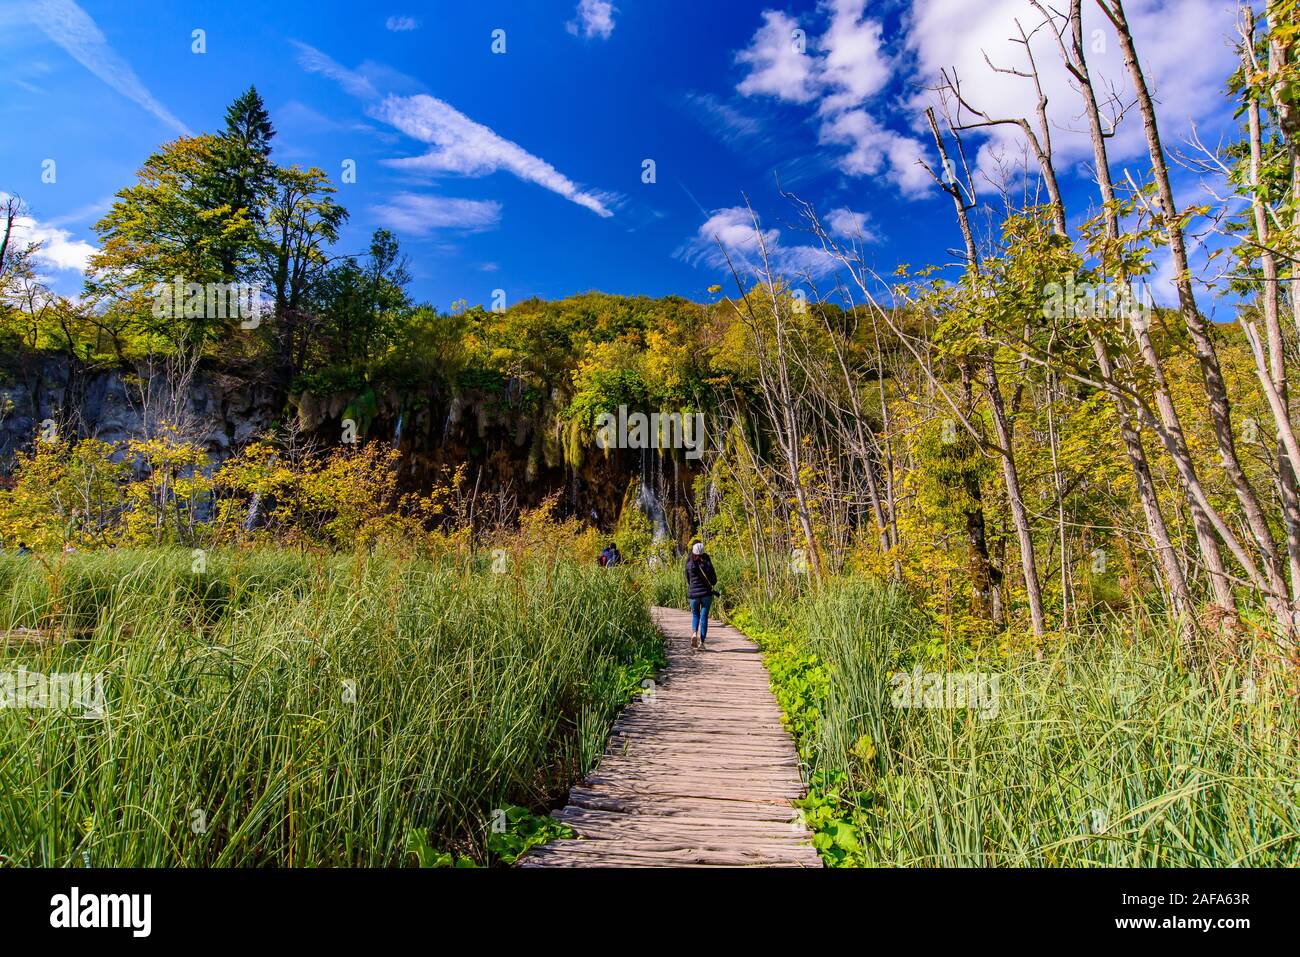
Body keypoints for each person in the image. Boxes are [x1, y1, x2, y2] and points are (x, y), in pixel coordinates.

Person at [685, 541, 717, 650]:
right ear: (703, 553)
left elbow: (688, 579)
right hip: (706, 594)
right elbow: (714, 581)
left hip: (693, 594)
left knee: (695, 615)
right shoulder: (707, 563)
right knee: (704, 617)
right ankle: (702, 643)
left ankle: (694, 633)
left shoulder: (689, 564)